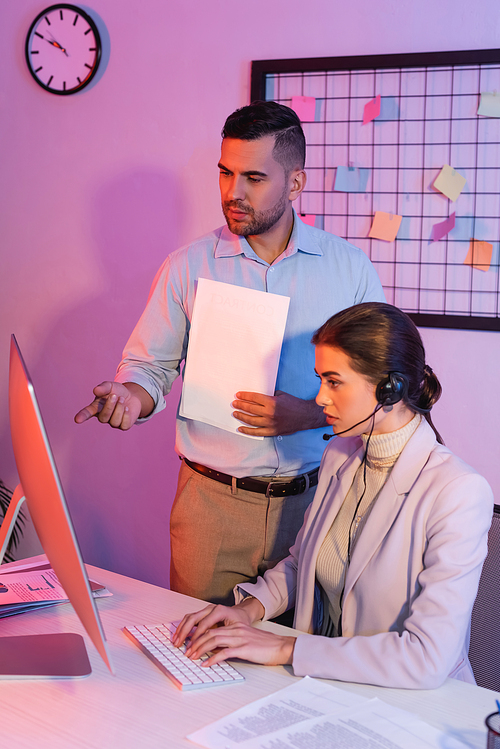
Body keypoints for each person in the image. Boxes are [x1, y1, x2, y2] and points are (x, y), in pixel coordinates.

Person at [75, 101, 385, 605]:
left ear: (296, 183)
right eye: (225, 173)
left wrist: (306, 414)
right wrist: (131, 397)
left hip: (315, 502)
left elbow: (381, 390)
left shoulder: (349, 271)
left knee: (297, 662)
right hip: (209, 507)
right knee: (202, 660)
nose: (232, 193)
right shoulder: (186, 266)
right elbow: (149, 368)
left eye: (254, 178)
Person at [173, 302, 494, 689]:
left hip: (414, 704)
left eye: (334, 381)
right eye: (320, 380)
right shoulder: (340, 455)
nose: (320, 398)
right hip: (329, 685)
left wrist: (284, 648)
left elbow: (427, 658)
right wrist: (247, 610)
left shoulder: (458, 492)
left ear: (390, 388)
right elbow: (301, 563)